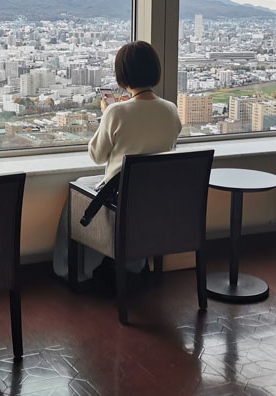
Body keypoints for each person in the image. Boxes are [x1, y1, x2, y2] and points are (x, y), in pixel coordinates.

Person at [53, 40, 182, 282]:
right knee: (87, 184)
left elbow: (97, 156)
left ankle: (72, 270)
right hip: (158, 198)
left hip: (121, 197)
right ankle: (134, 264)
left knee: (77, 191)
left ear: (123, 76)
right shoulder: (171, 109)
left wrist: (107, 115)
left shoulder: (116, 112)